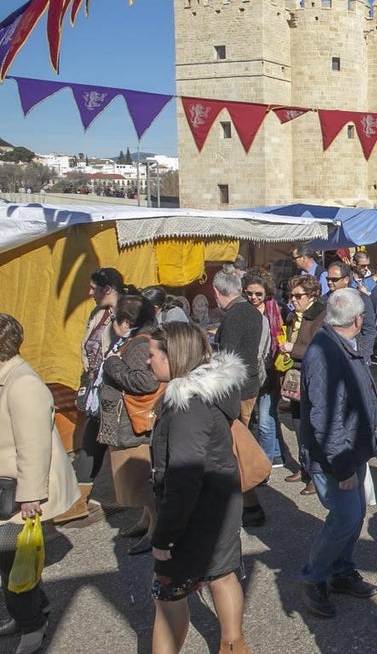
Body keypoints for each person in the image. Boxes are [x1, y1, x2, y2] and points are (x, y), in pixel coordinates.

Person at [147, 322, 248, 654]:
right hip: (221, 502)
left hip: (196, 514)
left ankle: (231, 646)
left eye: (152, 354)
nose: (148, 361)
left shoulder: (187, 406)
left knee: (169, 597)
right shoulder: (210, 394)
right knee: (222, 575)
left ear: (173, 356)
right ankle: (233, 645)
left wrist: (165, 537)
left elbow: (183, 479)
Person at [296, 289, 377, 618]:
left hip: (350, 450)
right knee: (345, 517)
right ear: (357, 319)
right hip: (335, 458)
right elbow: (324, 419)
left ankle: (342, 571)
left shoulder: (340, 343)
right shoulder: (325, 352)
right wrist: (343, 467)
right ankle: (313, 577)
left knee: (355, 515)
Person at [0, 314, 81, 654]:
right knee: (12, 564)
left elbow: (34, 446)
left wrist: (31, 496)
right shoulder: (8, 377)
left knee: (13, 565)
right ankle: (32, 613)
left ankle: (32, 624)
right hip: (9, 487)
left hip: (18, 494)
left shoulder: (22, 384)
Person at [95, 294, 160, 556]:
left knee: (141, 483)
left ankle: (156, 530)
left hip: (134, 427)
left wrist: (112, 364)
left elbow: (145, 382)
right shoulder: (140, 340)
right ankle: (146, 521)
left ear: (125, 322)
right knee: (139, 482)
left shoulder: (139, 345)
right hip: (132, 424)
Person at [212, 269, 269, 528]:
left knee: (236, 447)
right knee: (238, 444)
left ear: (216, 292)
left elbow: (228, 358)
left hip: (237, 390)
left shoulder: (235, 315)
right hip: (248, 385)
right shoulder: (250, 311)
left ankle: (250, 504)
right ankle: (245, 503)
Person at [76, 266, 125, 506]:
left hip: (116, 390)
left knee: (115, 442)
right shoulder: (98, 313)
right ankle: (80, 497)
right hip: (96, 388)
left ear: (108, 289)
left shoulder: (128, 314)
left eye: (94, 288)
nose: (90, 293)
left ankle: (131, 496)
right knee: (91, 440)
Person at [282, 275, 327, 496]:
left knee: (312, 426)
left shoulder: (321, 315)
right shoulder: (293, 315)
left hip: (312, 376)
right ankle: (304, 467)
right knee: (298, 423)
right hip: (294, 375)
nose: (293, 299)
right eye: (291, 295)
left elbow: (319, 348)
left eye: (298, 296)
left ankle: (316, 474)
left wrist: (293, 349)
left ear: (312, 296)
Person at [242, 271, 285, 469]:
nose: (253, 298)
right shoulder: (243, 310)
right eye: (249, 293)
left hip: (270, 370)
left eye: (258, 294)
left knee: (266, 420)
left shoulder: (273, 310)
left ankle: (264, 465)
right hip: (251, 371)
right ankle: (275, 454)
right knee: (264, 417)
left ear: (266, 293)